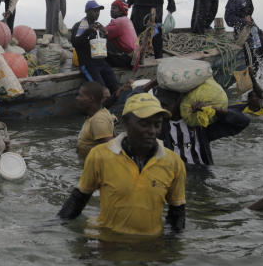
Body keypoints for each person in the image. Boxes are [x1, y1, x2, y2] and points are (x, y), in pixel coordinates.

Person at [57, 92, 186, 235]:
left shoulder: (173, 162)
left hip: (149, 246)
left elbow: (177, 212)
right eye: (144, 124)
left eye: (157, 125)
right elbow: (79, 198)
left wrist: (170, 249)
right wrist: (54, 226)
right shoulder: (100, 155)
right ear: (126, 122)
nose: (152, 131)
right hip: (108, 243)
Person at [154, 87, 249, 166]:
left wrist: (216, 110)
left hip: (201, 174)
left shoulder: (200, 123)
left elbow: (243, 122)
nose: (162, 108)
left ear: (179, 101)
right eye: (159, 104)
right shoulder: (157, 126)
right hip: (173, 175)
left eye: (165, 105)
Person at [224, 0, 263, 78]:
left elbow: (250, 19)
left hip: (251, 31)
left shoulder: (249, 2)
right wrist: (244, 22)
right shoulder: (234, 0)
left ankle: (262, 71)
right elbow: (229, 19)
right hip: (241, 33)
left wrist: (259, 31)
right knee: (251, 49)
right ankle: (251, 74)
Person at [71, 0, 120, 94]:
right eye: (95, 11)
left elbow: (105, 42)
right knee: (101, 91)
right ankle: (101, 106)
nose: (97, 13)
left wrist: (105, 34)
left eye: (98, 11)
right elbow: (75, 43)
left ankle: (111, 105)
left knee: (115, 86)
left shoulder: (98, 26)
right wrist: (87, 32)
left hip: (101, 61)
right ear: (87, 11)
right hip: (88, 64)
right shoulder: (79, 25)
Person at [75, 82, 115, 159]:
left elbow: (110, 152)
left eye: (80, 95)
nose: (77, 98)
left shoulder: (98, 120)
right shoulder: (99, 114)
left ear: (91, 99)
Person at [104, 0, 137, 69]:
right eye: (111, 8)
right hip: (134, 60)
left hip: (128, 61)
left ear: (121, 11)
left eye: (114, 8)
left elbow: (102, 33)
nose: (111, 10)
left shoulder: (118, 22)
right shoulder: (127, 20)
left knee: (101, 42)